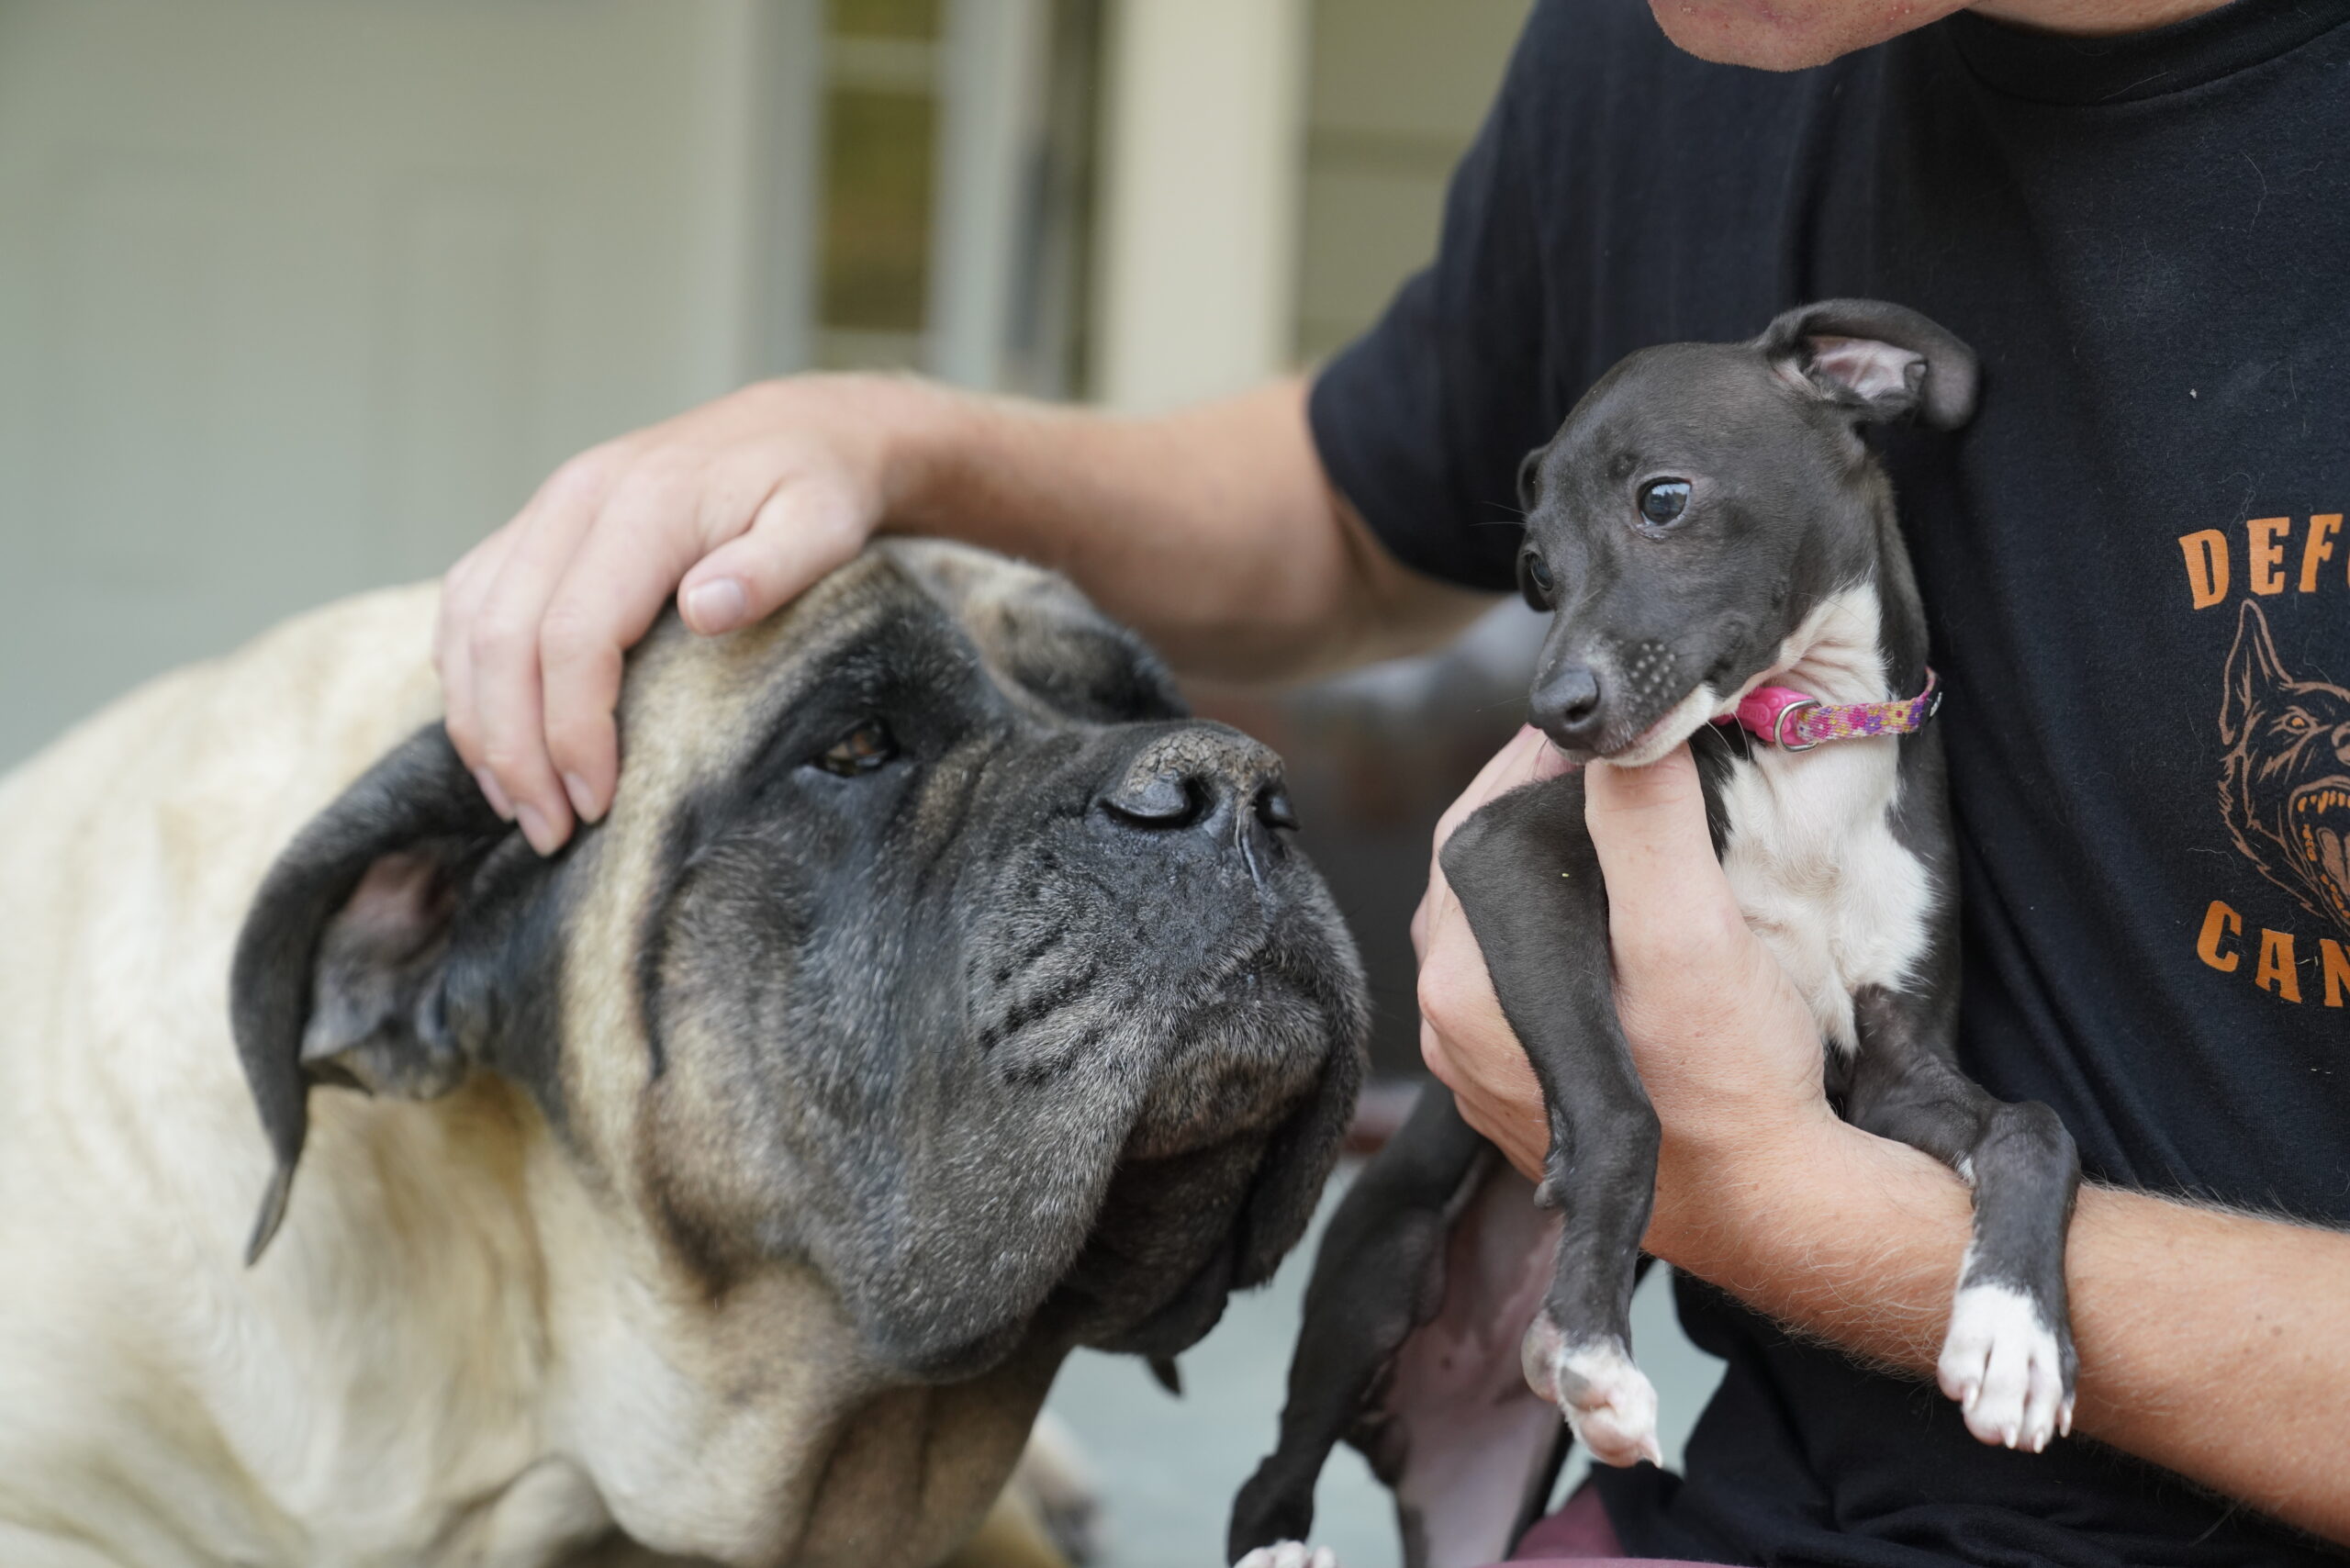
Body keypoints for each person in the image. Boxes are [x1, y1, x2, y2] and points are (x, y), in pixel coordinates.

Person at [434, 0, 2350, 1562]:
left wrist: (1775, 1204)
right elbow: (1352, 498)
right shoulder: (1662, 49)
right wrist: (878, 433)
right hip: (1745, 1497)